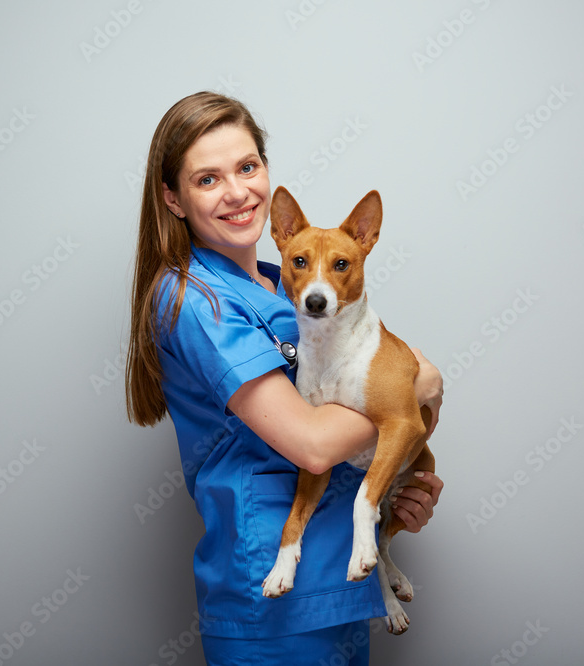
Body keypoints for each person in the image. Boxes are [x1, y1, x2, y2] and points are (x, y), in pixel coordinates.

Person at [125, 91, 444, 665]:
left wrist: (394, 491)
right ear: (172, 198)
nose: (237, 191)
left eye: (248, 167)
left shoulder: (290, 282)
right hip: (272, 598)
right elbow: (315, 444)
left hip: (344, 583)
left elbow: (367, 419)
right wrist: (415, 388)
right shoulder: (197, 299)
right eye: (207, 179)